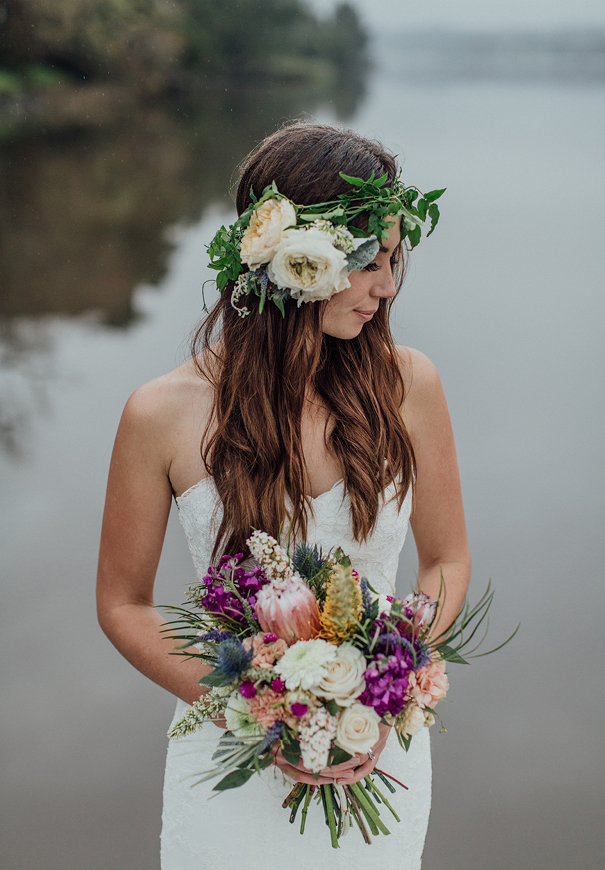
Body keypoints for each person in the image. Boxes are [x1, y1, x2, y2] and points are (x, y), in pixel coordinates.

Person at [96, 121, 470, 869]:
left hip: (378, 746)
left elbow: (446, 560)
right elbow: (122, 604)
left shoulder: (410, 386)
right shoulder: (160, 413)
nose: (387, 286)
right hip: (230, 752)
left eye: (395, 258)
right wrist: (265, 710)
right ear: (299, 260)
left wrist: (384, 679)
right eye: (370, 259)